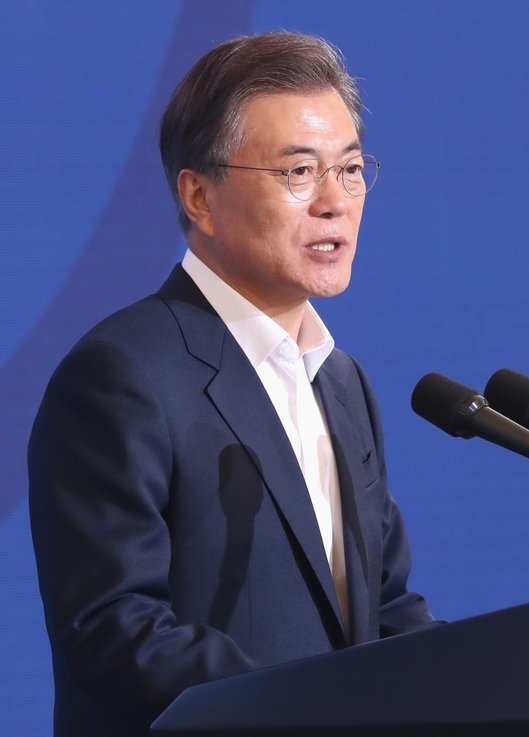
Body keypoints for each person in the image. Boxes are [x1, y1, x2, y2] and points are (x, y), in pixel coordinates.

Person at [28, 31, 434, 737]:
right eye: (299, 171)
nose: (335, 201)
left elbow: (385, 608)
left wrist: (497, 681)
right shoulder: (123, 375)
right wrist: (321, 706)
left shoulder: (341, 381)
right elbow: (115, 630)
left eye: (349, 169)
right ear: (199, 195)